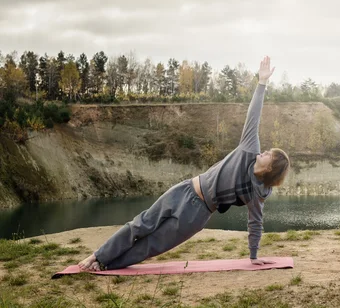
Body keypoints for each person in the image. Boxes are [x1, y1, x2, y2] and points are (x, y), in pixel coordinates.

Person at [78, 56, 290, 270]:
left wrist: (254, 256)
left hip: (198, 214)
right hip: (185, 189)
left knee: (152, 245)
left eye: (268, 154)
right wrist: (262, 83)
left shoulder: (257, 193)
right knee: (140, 224)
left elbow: (256, 223)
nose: (263, 151)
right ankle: (98, 255)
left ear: (270, 168)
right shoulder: (249, 149)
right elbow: (254, 115)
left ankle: (105, 265)